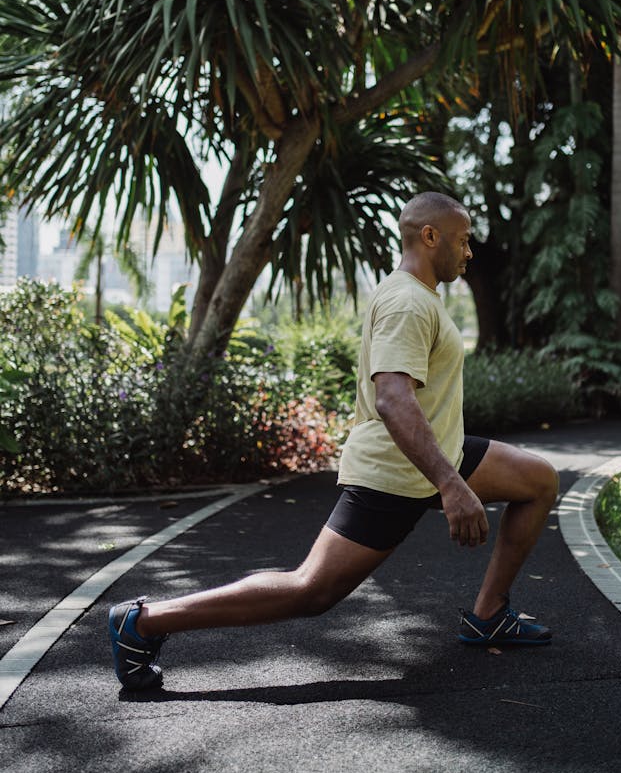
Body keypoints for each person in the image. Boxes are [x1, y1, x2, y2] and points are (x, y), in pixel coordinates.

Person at [109, 191, 559, 690]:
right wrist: (451, 485)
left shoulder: (420, 294)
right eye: (463, 240)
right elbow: (392, 398)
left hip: (436, 453)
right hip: (397, 470)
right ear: (430, 237)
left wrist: (450, 474)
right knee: (311, 591)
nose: (469, 251)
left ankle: (489, 614)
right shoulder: (407, 301)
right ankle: (143, 620)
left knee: (537, 479)